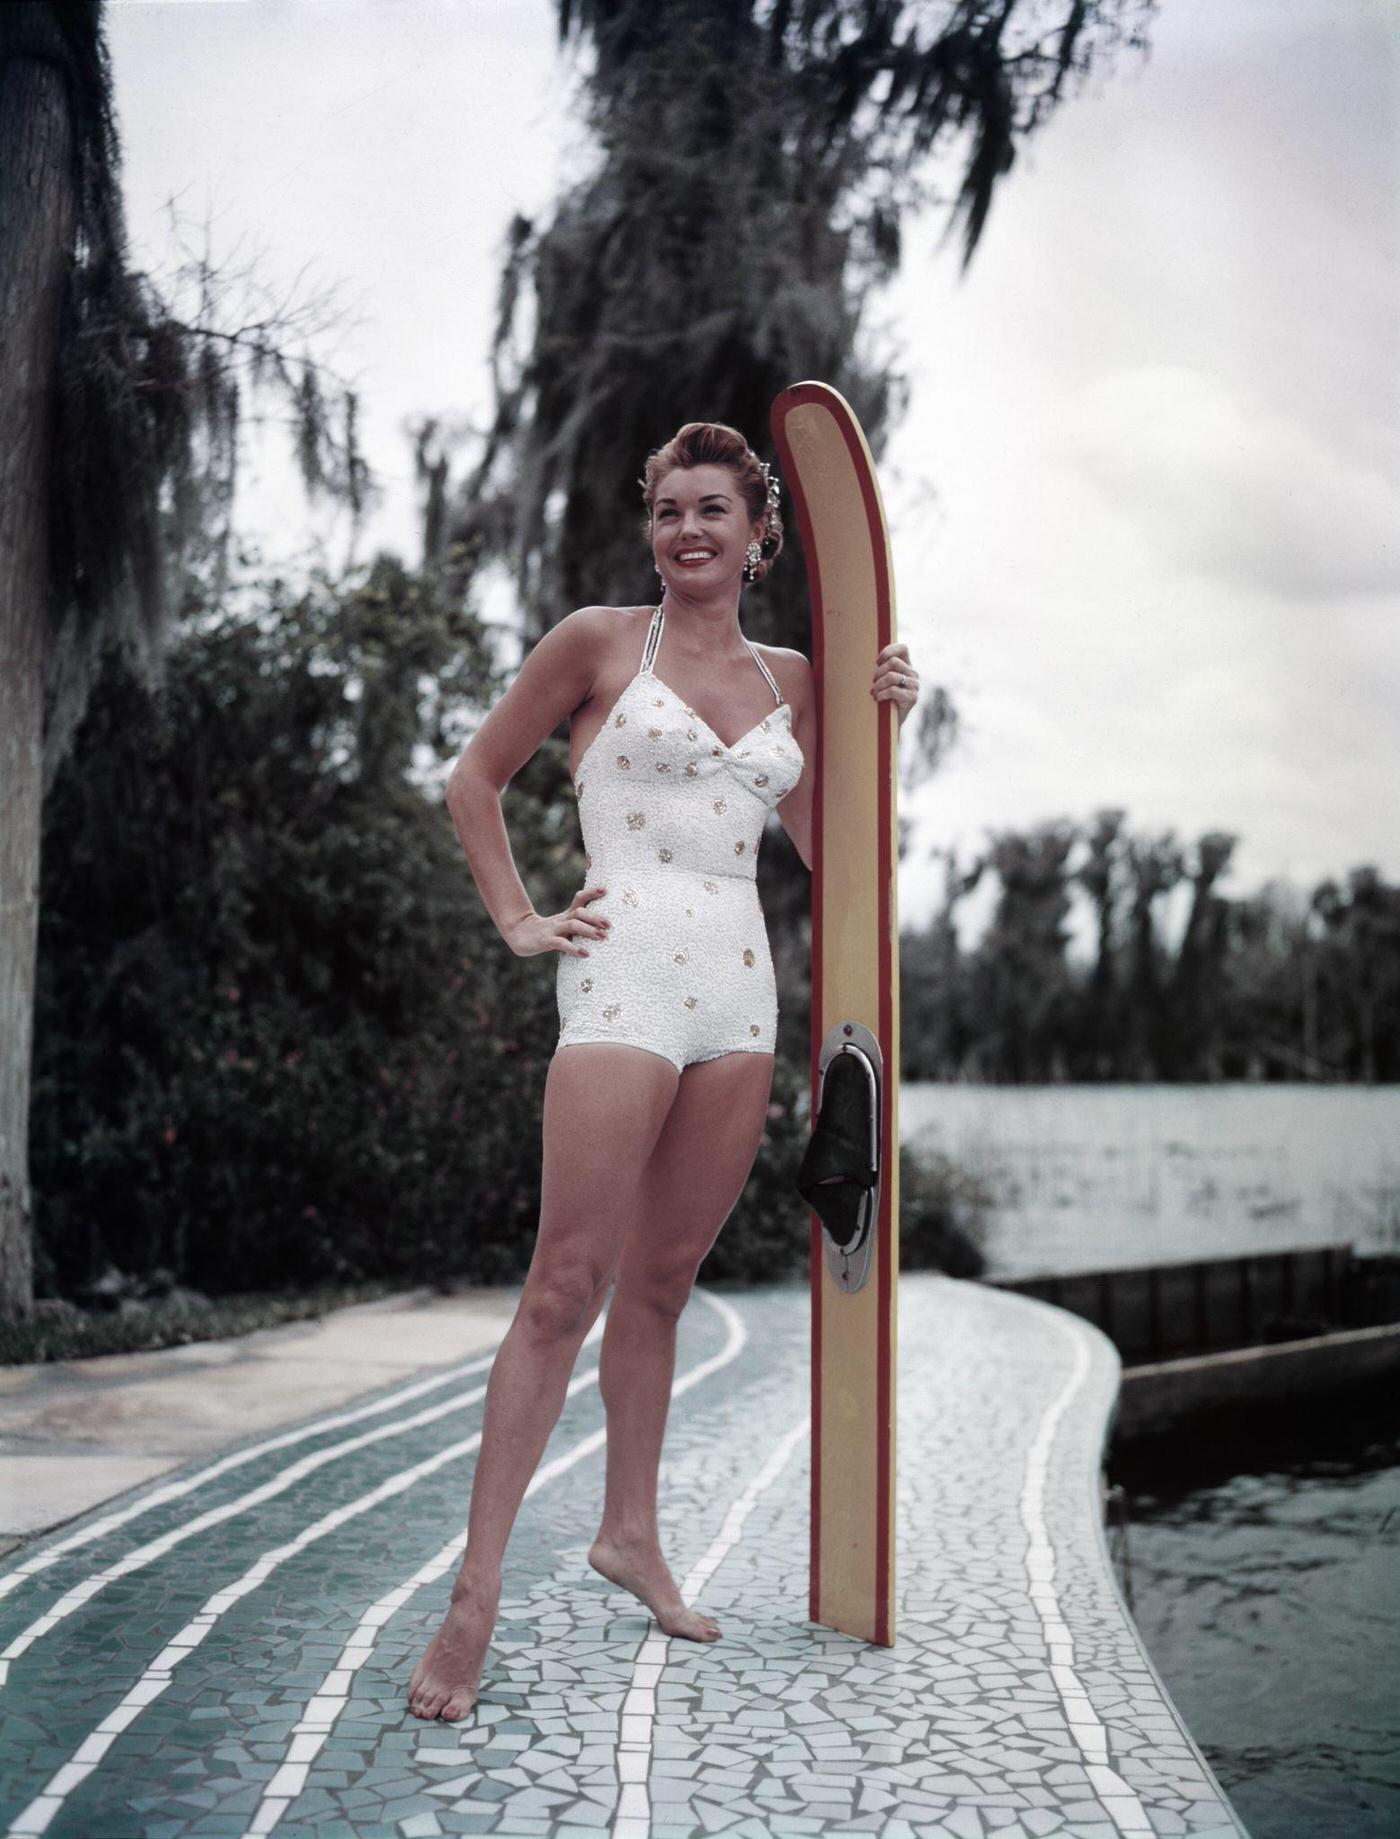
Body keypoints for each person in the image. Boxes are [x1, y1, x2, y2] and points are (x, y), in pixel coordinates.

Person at [407, 420, 919, 1722]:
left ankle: (628, 1534)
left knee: (663, 1283)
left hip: (739, 996)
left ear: (758, 535)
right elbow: (474, 779)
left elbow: (837, 854)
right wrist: (519, 920)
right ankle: (473, 1598)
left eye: (712, 511)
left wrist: (885, 728)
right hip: (622, 973)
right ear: (653, 530)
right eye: (669, 510)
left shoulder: (796, 676)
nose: (688, 530)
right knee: (561, 1288)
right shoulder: (596, 642)